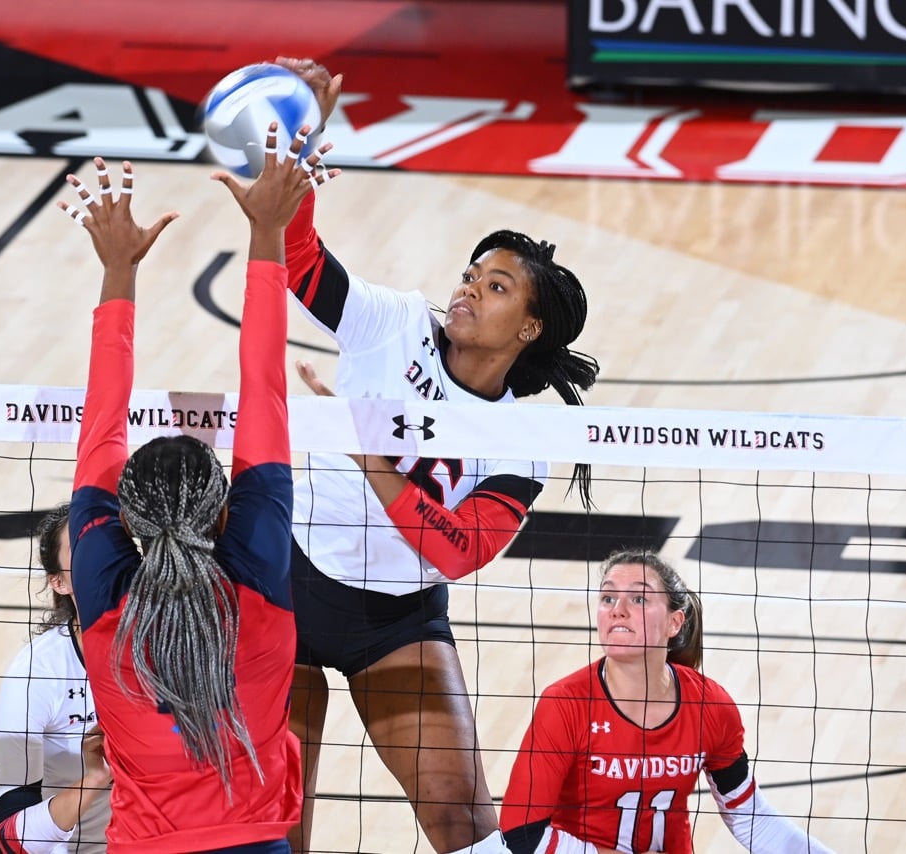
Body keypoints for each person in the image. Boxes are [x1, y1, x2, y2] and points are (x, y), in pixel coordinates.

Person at [272, 57, 600, 854]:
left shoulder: (525, 443)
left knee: (463, 822)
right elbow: (298, 257)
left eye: (494, 288)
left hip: (396, 621)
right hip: (284, 588)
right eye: (469, 274)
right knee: (278, 827)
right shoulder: (392, 322)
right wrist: (299, 137)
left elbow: (455, 552)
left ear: (528, 330)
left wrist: (366, 450)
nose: (466, 289)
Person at [55, 128, 339, 853]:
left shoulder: (105, 598)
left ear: (125, 517)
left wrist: (117, 274)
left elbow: (100, 433)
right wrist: (269, 232)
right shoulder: (259, 586)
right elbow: (267, 386)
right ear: (222, 512)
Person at [500, 549, 835, 854]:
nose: (617, 610)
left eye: (638, 600)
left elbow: (752, 819)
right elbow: (522, 835)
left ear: (674, 623)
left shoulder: (709, 706)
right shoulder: (565, 704)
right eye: (607, 598)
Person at [0, 504, 112, 854]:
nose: (99, 560)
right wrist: (94, 778)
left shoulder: (166, 654)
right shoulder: (37, 672)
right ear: (60, 582)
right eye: (82, 551)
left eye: (108, 546)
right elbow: (13, 832)